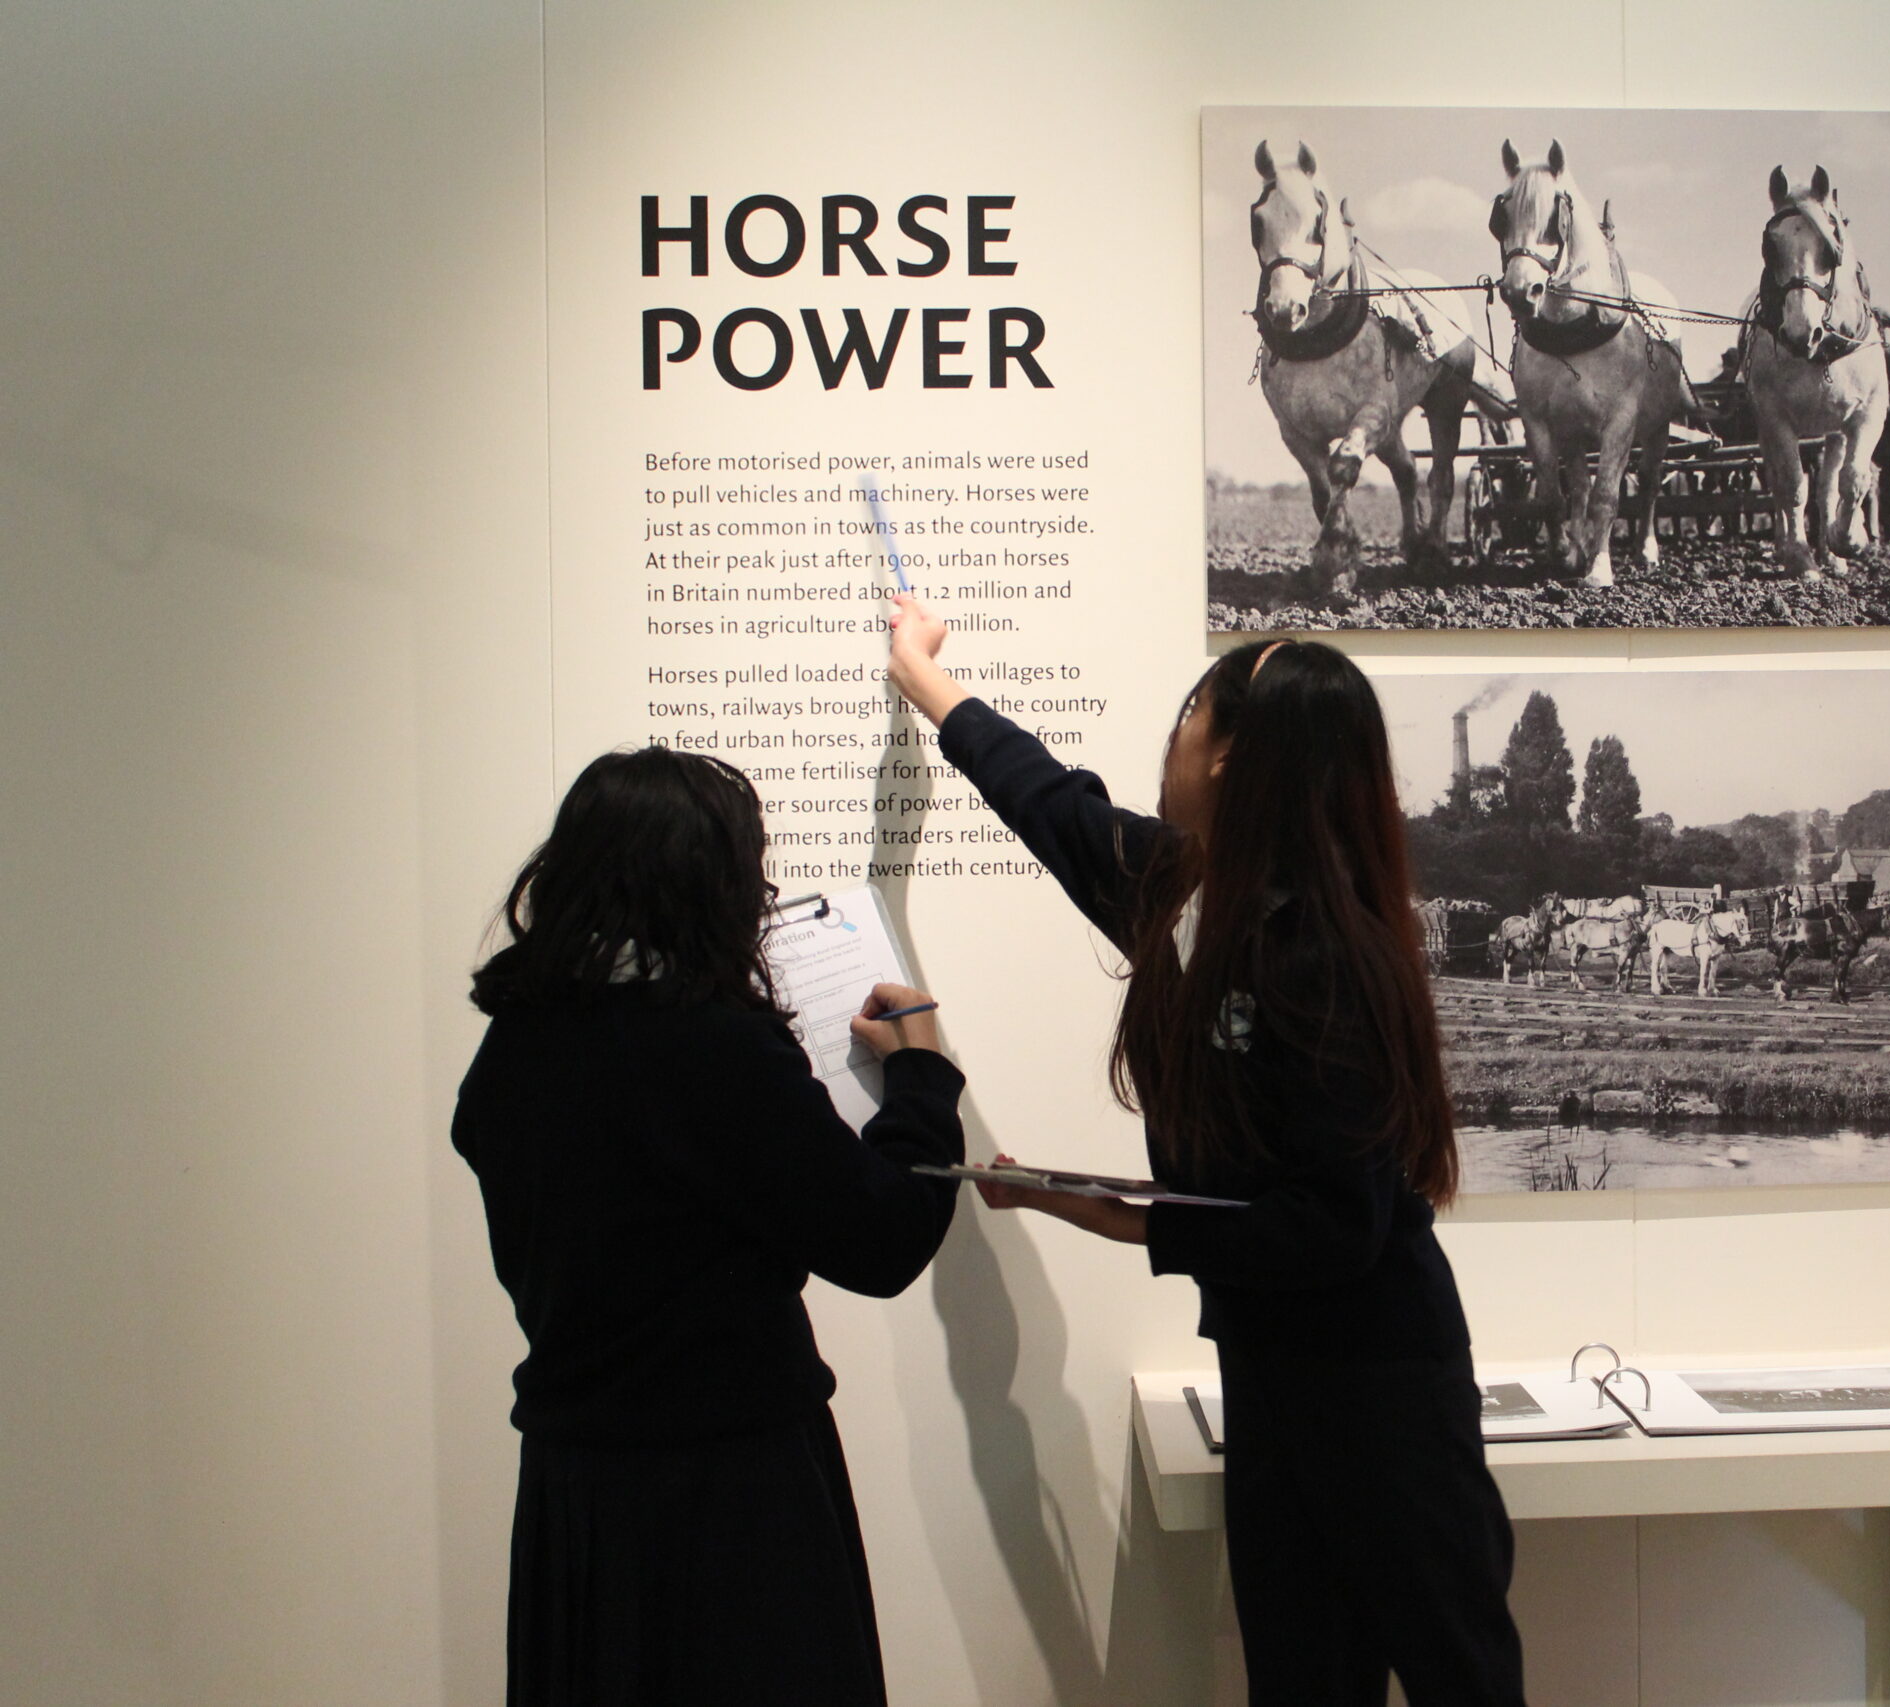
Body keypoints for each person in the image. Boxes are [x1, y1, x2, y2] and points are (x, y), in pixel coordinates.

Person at [884, 599, 1528, 1707]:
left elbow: (1333, 1227)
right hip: (1275, 1373)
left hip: (1381, 1392)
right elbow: (1049, 802)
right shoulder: (1184, 892)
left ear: (1228, 756)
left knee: (1455, 1677)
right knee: (1299, 1676)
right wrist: (929, 685)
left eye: (1188, 712)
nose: (1169, 734)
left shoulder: (1322, 955)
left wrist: (1105, 1211)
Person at [452, 744, 965, 1707]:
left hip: (579, 1493)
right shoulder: (709, 1046)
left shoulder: (516, 1043)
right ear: (708, 884)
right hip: (730, 1502)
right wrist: (923, 1078)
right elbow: (885, 1238)